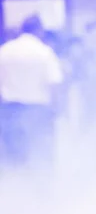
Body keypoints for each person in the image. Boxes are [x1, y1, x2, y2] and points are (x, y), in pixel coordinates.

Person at [0, 15, 64, 172]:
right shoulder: (45, 52)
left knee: (14, 156)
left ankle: (17, 189)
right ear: (39, 31)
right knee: (40, 155)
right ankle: (40, 192)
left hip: (10, 110)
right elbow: (54, 83)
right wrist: (56, 110)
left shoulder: (5, 51)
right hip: (38, 111)